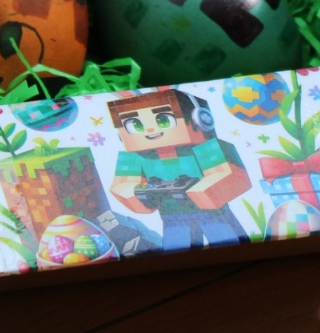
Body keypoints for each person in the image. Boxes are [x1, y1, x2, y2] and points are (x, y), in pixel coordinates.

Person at [106, 89, 250, 251]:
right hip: (172, 216)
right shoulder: (134, 158)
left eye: (163, 120)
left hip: (213, 215)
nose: (150, 130)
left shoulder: (207, 148)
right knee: (176, 251)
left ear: (198, 119)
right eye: (136, 125)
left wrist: (199, 190)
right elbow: (122, 186)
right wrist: (142, 193)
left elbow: (231, 175)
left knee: (229, 245)